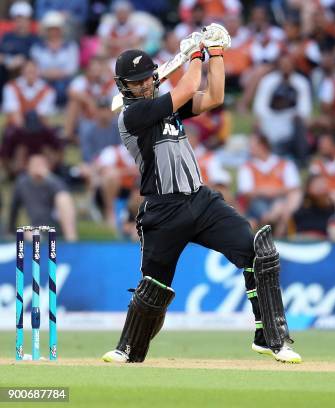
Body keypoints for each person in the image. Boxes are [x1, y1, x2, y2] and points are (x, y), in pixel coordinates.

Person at [101, 26, 301, 364]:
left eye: (147, 78)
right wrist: (195, 53)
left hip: (201, 200)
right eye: (135, 82)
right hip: (162, 210)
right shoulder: (132, 115)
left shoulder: (168, 106)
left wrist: (216, 53)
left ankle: (270, 337)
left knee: (257, 253)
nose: (143, 85)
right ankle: (129, 348)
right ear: (124, 87)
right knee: (154, 288)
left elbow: (213, 96)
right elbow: (189, 86)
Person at [237, 133, 301, 237]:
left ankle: (276, 220)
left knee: (292, 198)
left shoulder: (284, 164)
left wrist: (270, 191)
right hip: (257, 202)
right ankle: (275, 222)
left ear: (263, 146)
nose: (249, 149)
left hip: (281, 201)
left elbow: (294, 187)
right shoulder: (247, 167)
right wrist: (267, 191)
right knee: (269, 206)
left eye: (252, 146)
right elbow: (246, 192)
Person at [9, 155, 77, 241]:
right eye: (34, 165)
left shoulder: (52, 182)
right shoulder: (22, 183)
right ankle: (42, 250)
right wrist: (10, 229)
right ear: (28, 167)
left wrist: (48, 177)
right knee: (30, 232)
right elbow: (14, 207)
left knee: (62, 198)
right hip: (37, 228)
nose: (37, 168)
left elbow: (64, 192)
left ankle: (71, 241)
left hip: (56, 224)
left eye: (40, 165)